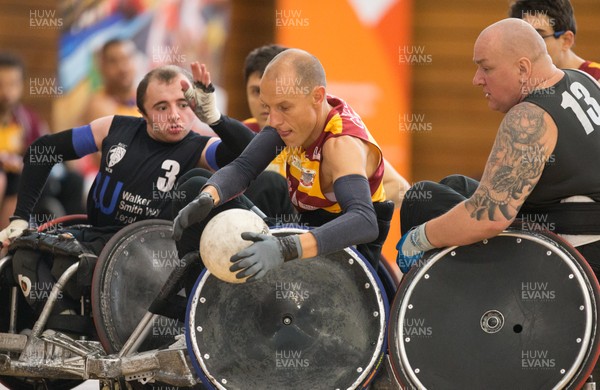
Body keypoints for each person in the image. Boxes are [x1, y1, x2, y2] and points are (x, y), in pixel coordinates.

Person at [0, 62, 257, 316]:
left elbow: (252, 153)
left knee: (62, 266)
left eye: (183, 104)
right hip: (97, 236)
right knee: (21, 254)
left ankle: (67, 325)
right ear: (142, 112)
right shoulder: (113, 128)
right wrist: (21, 218)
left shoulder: (200, 148)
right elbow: (41, 151)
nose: (175, 115)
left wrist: (214, 117)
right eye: (161, 107)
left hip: (145, 255)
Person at [172, 48, 394, 282]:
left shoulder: (341, 146)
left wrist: (284, 248)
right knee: (196, 184)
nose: (274, 120)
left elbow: (365, 221)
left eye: (284, 107)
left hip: (346, 258)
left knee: (268, 185)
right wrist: (208, 197)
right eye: (269, 107)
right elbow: (244, 167)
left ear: (318, 97)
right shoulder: (293, 120)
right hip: (301, 233)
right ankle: (193, 298)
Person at [242, 44, 410, 209]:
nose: (262, 104)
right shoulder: (242, 134)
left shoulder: (330, 138)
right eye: (256, 92)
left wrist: (339, 204)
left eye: (284, 104)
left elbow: (400, 187)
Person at [0, 53, 48, 229]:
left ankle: (6, 242)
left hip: (18, 176)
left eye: (12, 84)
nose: (6, 92)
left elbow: (41, 152)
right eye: (1, 85)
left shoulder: (28, 119)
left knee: (22, 181)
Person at [509, 0, 600, 80]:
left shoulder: (596, 78)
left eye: (540, 37)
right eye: (524, 38)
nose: (529, 47)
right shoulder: (521, 82)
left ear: (566, 40)